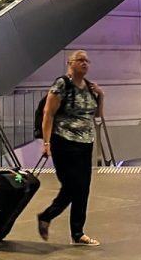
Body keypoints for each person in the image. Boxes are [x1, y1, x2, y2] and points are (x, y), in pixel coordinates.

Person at [37, 49, 103, 246]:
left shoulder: (90, 87)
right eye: (80, 60)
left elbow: (97, 115)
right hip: (63, 142)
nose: (84, 63)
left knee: (83, 189)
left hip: (85, 143)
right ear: (70, 63)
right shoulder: (62, 84)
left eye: (87, 60)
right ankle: (47, 216)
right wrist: (46, 143)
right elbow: (48, 114)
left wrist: (101, 95)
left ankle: (77, 233)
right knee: (73, 186)